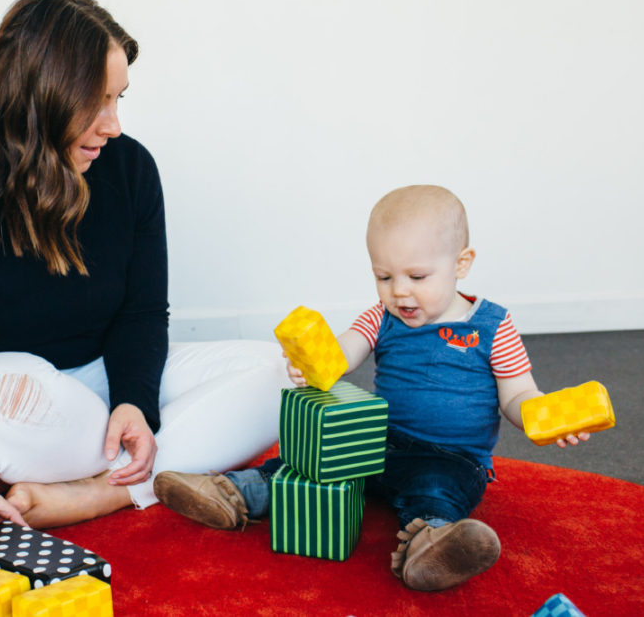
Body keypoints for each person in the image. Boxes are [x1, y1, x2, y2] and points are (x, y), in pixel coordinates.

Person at [0, 0, 287, 585]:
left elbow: (143, 311)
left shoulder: (131, 169)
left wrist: (136, 403)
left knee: (281, 374)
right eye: (96, 103)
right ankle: (151, 465)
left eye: (119, 99)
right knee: (3, 400)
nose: (113, 125)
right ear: (38, 99)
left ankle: (104, 492)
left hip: (93, 384)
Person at [153, 185, 591, 592]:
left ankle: (430, 545)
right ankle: (235, 492)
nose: (399, 292)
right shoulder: (382, 317)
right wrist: (315, 363)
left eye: (417, 277)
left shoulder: (492, 326)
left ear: (461, 263)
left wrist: (544, 418)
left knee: (435, 490)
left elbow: (517, 396)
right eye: (384, 277)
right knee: (312, 463)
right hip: (376, 440)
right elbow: (344, 351)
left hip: (451, 457)